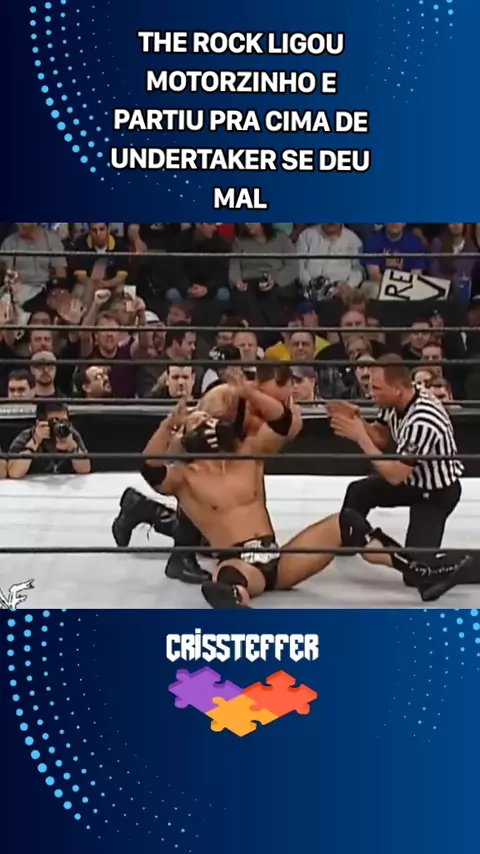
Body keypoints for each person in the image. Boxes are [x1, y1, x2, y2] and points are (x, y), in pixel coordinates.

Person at [137, 404, 469, 608]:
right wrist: (167, 426)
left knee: (346, 521)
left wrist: (248, 392)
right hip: (239, 561)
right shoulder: (184, 479)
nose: (207, 425)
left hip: (280, 558)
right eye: (198, 422)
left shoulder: (247, 455)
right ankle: (240, 609)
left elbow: (284, 422)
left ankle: (420, 572)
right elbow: (149, 467)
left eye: (208, 419)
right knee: (225, 581)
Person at [111, 364, 297, 583]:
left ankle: (142, 508)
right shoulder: (224, 400)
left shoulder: (269, 408)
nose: (285, 398)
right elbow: (180, 447)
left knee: (219, 523)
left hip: (231, 461)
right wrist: (178, 433)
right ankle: (181, 554)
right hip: (198, 460)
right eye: (276, 394)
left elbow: (284, 424)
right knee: (199, 492)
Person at [328, 353, 465, 590]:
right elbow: (381, 437)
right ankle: (348, 540)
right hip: (412, 480)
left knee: (416, 572)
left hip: (435, 493)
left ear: (398, 389)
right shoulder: (395, 401)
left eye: (376, 388)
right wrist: (359, 421)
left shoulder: (423, 421)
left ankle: (468, 563)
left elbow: (395, 476)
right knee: (358, 492)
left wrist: (360, 436)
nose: (370, 393)